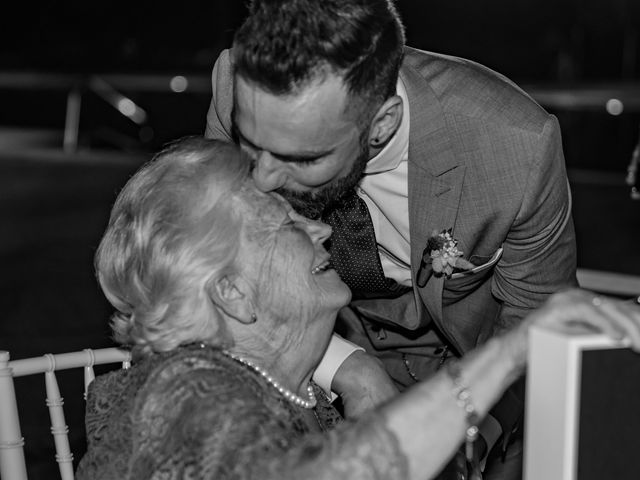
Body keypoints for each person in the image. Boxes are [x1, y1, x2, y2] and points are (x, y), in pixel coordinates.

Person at [76, 137, 640, 480]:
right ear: (232, 293)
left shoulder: (292, 392)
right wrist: (510, 354)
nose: (320, 227)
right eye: (287, 225)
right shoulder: (182, 395)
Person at [204, 1, 577, 476]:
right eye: (251, 145)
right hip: (308, 366)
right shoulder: (235, 84)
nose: (261, 180)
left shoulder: (516, 147)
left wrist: (465, 433)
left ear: (381, 126)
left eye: (302, 159)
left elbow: (538, 323)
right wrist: (350, 370)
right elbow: (218, 261)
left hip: (478, 380)